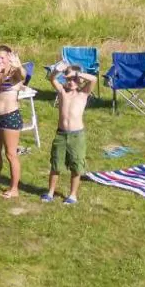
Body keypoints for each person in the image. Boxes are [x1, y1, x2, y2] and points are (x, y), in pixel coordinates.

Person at [41, 66, 93, 205]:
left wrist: (76, 73)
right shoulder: (62, 92)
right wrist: (58, 70)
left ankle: (72, 195)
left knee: (76, 166)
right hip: (61, 134)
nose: (71, 82)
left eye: (75, 80)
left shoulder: (83, 94)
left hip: (77, 136)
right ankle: (50, 192)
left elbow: (93, 79)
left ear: (80, 80)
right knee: (56, 164)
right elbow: (51, 78)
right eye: (68, 79)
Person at [0, 44, 27, 199]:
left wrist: (19, 66)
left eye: (2, 57)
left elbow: (22, 76)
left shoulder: (15, 72)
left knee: (11, 154)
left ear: (10, 57)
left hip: (10, 116)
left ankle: (14, 188)